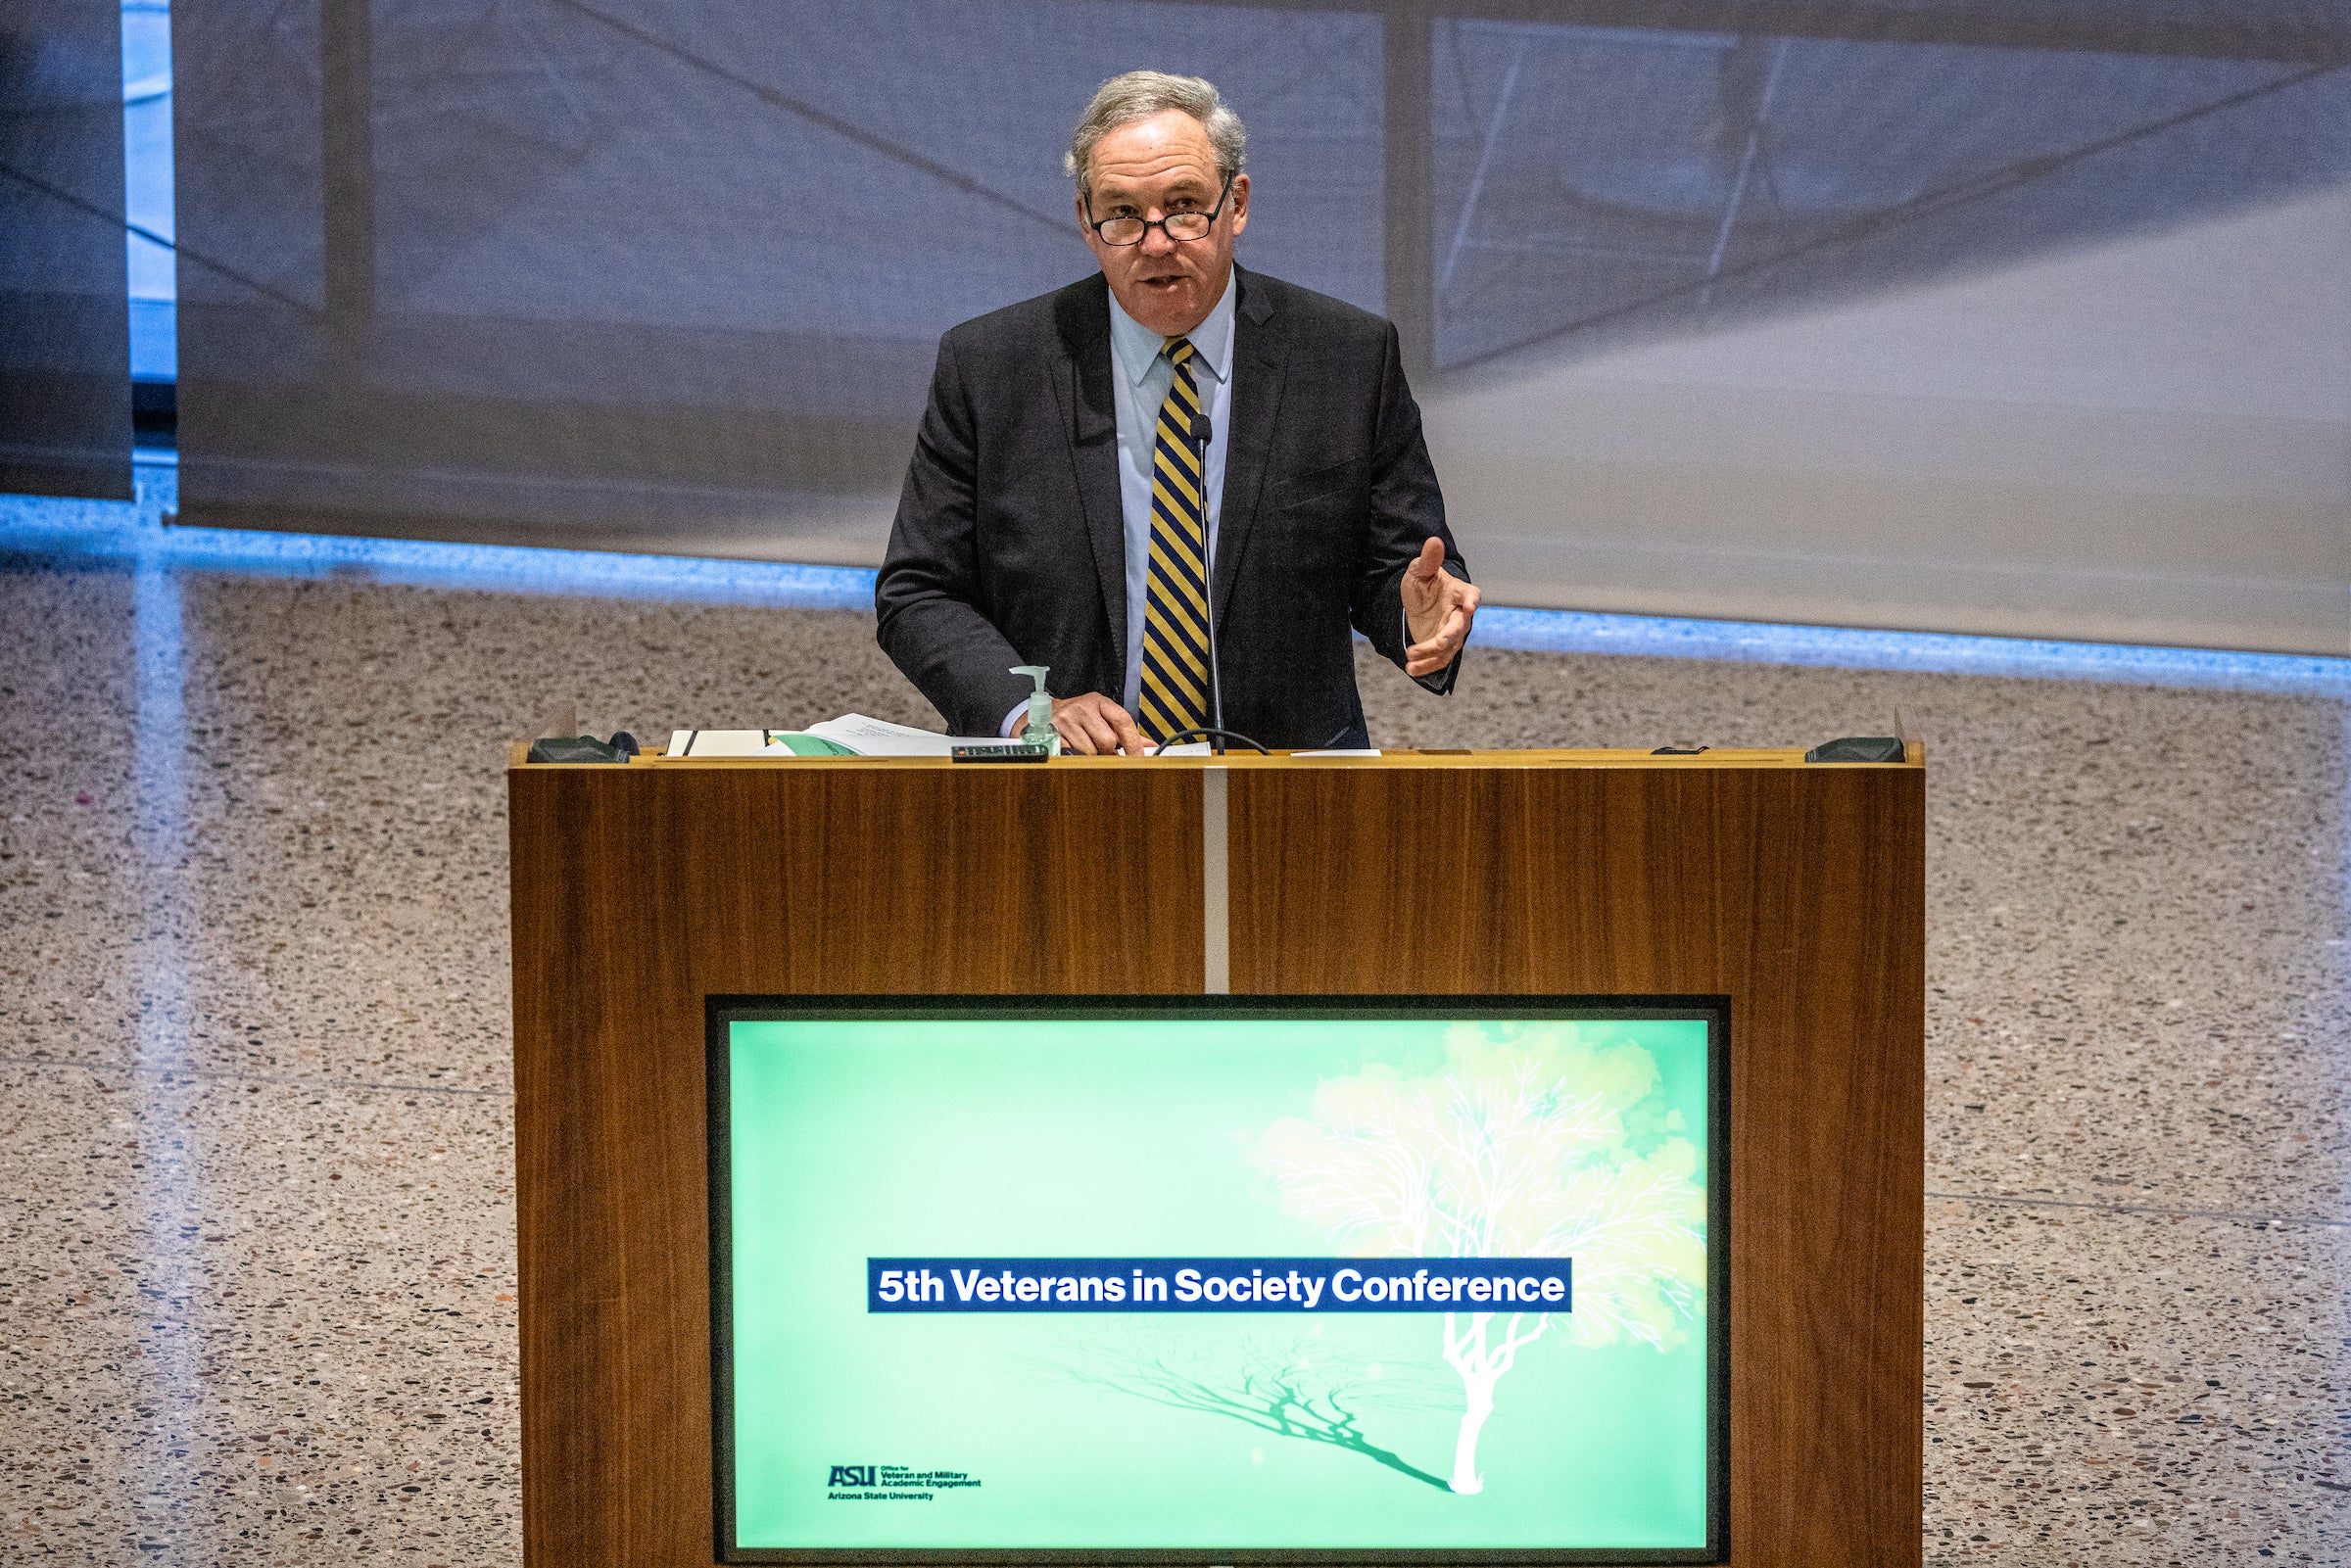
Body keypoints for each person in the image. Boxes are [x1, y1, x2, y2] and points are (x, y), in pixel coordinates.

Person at [876, 71, 1478, 754]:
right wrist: (1029, 709)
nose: (1156, 242)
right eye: (1123, 213)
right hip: (1062, 780)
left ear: (1237, 202)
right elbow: (919, 591)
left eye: (1184, 205)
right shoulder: (991, 367)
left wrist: (1417, 615)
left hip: (1283, 783)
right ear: (1085, 221)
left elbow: (1402, 567)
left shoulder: (1345, 358)